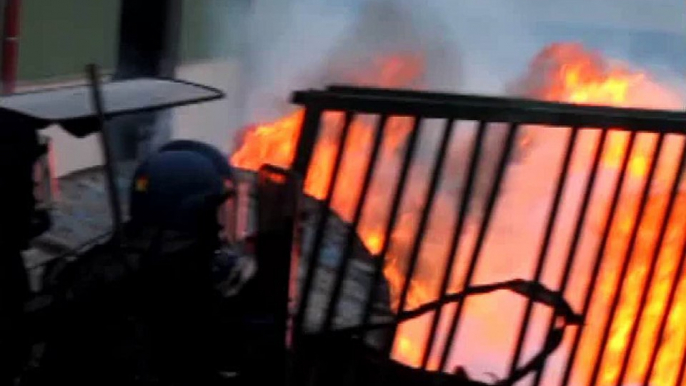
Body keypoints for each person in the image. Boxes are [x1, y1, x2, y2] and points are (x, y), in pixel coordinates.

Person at [32, 140, 253, 385]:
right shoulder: (173, 282)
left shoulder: (107, 262)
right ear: (197, 214)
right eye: (217, 212)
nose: (221, 227)